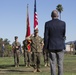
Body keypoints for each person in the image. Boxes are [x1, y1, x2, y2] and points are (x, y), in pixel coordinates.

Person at [44, 10, 66, 75]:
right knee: (60, 63)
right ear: (58, 15)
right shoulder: (63, 23)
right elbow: (63, 34)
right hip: (60, 46)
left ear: (51, 16)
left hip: (51, 46)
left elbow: (46, 36)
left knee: (53, 63)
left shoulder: (47, 23)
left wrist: (45, 47)